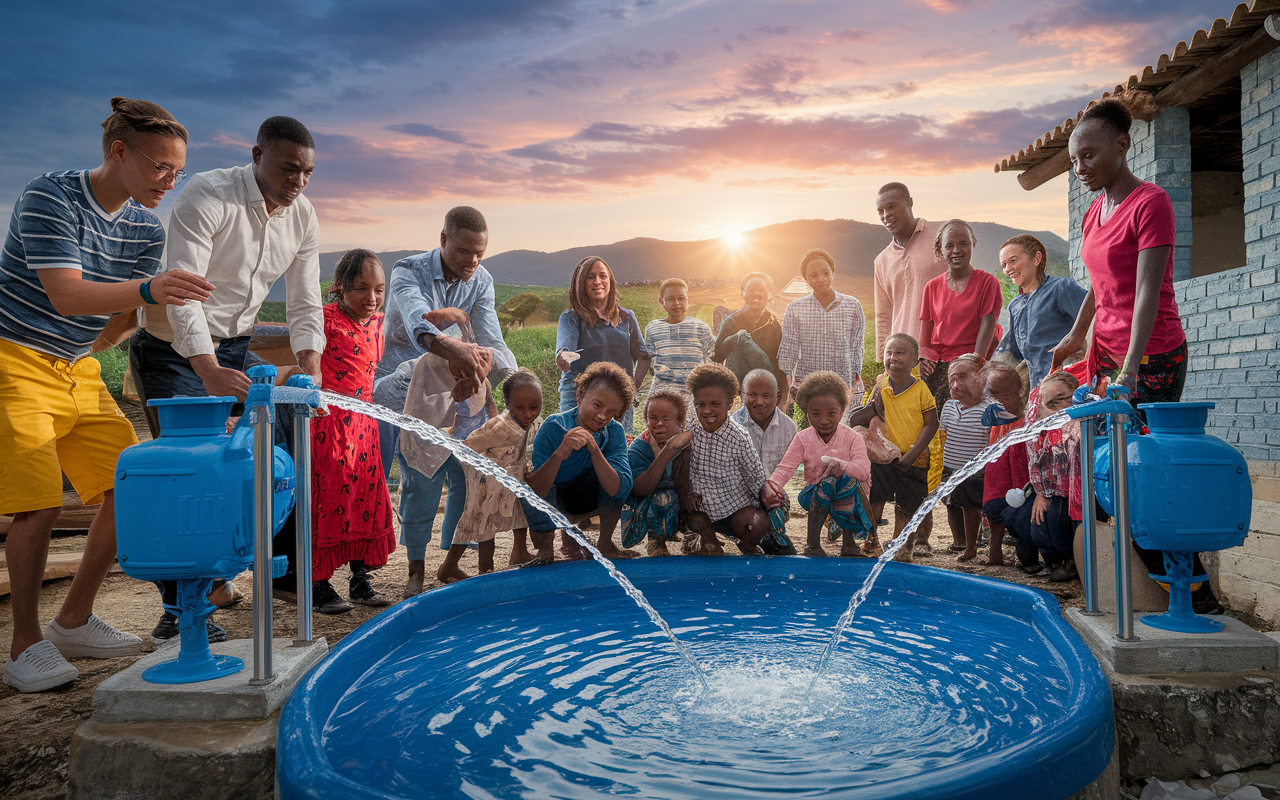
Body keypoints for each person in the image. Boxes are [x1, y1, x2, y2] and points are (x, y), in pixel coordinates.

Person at [1, 97, 213, 692]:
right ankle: (24, 646)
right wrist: (148, 288)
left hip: (77, 368)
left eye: (178, 172)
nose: (169, 182)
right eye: (160, 167)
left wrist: (148, 302)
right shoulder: (51, 195)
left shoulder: (146, 228)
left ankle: (72, 619)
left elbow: (115, 321)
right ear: (118, 151)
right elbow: (67, 294)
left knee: (131, 485)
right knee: (38, 503)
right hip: (10, 358)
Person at [129, 115, 325, 641]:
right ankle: (178, 614)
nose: (298, 182)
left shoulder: (302, 216)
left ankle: (219, 576)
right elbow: (184, 290)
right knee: (185, 475)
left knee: (245, 465)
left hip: (235, 344)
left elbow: (306, 300)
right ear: (257, 155)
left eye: (307, 172)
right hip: (174, 348)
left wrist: (310, 365)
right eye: (288, 169)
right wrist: (207, 367)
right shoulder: (209, 194)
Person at [374, 206, 506, 594]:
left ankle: (449, 562)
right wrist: (451, 347)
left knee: (464, 481)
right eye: (464, 250)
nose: (473, 261)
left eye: (480, 252)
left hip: (462, 396)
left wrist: (508, 378)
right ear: (443, 240)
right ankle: (410, 566)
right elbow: (418, 317)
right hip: (399, 391)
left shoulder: (481, 280)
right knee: (415, 480)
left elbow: (491, 337)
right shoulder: (407, 270)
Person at [1054, 94, 1187, 407]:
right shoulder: (1093, 211)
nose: (1080, 168)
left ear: (1122, 144)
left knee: (1142, 449)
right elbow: (1100, 284)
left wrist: (1129, 371)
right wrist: (1077, 333)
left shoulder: (1150, 203)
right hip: (1105, 351)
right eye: (1074, 161)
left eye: (1088, 155)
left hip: (1150, 356)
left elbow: (1146, 293)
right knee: (1106, 447)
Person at [308, 250, 395, 614]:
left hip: (364, 427)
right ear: (340, 288)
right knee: (327, 501)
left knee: (367, 497)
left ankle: (360, 580)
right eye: (361, 288)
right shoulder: (323, 321)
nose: (371, 298)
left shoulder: (378, 324)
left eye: (379, 289)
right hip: (326, 424)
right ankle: (317, 584)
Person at [438, 369, 544, 581]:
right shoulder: (498, 428)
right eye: (520, 408)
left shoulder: (537, 422)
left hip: (514, 482)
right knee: (482, 525)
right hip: (487, 487)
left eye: (534, 407)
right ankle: (475, 570)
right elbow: (468, 447)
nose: (528, 413)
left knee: (520, 513)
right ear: (507, 403)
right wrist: (488, 471)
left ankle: (519, 552)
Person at [526, 361, 634, 564]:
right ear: (579, 397)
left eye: (612, 411)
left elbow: (617, 489)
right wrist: (560, 454)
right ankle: (546, 550)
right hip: (556, 498)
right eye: (597, 405)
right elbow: (537, 490)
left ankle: (604, 544)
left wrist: (594, 450)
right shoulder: (554, 426)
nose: (603, 416)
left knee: (620, 477)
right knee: (528, 488)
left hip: (586, 498)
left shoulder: (614, 431)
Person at [763, 372, 872, 558]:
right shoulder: (803, 438)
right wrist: (771, 488)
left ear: (843, 410)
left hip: (849, 496)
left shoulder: (853, 437)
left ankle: (849, 543)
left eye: (831, 413)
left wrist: (840, 465)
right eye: (815, 414)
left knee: (847, 481)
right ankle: (812, 544)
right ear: (806, 412)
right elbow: (785, 468)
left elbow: (863, 471)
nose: (823, 421)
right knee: (828, 482)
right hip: (814, 495)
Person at [859, 334, 938, 561]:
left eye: (901, 353)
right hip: (884, 456)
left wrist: (911, 455)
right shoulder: (882, 385)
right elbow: (874, 413)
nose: (893, 358)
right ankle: (871, 541)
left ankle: (902, 547)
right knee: (876, 497)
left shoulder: (921, 390)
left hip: (915, 458)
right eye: (889, 353)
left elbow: (932, 423)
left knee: (907, 505)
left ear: (915, 360)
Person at [682, 364, 772, 556]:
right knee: (692, 519)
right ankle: (706, 540)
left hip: (734, 508)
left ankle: (746, 545)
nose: (707, 411)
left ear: (731, 403)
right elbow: (680, 468)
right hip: (700, 508)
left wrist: (765, 504)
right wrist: (688, 493)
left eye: (715, 404)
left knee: (758, 523)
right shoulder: (689, 429)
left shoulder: (739, 438)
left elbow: (755, 478)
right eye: (700, 404)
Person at [555, 256, 650, 433]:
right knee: (576, 449)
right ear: (580, 283)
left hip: (617, 401)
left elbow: (643, 357)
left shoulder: (626, 317)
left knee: (615, 453)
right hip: (580, 399)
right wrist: (563, 358)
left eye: (602, 276)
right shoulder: (571, 318)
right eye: (590, 277)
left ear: (610, 281)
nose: (597, 281)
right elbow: (564, 348)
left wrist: (631, 388)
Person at [918, 220, 1003, 407]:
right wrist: (925, 357)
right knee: (932, 417)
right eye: (949, 245)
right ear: (941, 249)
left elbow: (988, 323)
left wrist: (976, 362)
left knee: (971, 419)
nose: (956, 250)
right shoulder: (931, 287)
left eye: (963, 243)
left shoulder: (987, 282)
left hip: (974, 360)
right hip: (941, 364)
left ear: (973, 243)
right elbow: (927, 326)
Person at [995, 235, 1087, 386]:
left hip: (1071, 384)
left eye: (1013, 260)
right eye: (1003, 265)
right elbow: (1011, 351)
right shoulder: (1015, 306)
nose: (1008, 269)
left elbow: (1095, 320)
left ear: (1037, 258)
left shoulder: (1061, 288)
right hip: (1038, 388)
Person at [778, 249, 867, 404]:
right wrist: (790, 387)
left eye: (826, 273)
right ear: (806, 279)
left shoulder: (852, 305)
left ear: (833, 273)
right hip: (807, 388)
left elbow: (857, 347)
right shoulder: (795, 309)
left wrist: (855, 380)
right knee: (811, 427)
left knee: (841, 426)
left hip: (843, 385)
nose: (821, 279)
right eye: (814, 275)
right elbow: (788, 350)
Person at [979, 362, 1039, 571]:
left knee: (1022, 523)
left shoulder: (1028, 422)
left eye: (1003, 396)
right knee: (994, 512)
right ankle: (994, 550)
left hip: (1021, 484)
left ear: (1019, 392)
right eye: (991, 397)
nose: (997, 402)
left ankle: (1028, 560)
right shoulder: (998, 420)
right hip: (997, 479)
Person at [1026, 371, 1083, 582]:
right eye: (1050, 402)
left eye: (1061, 398)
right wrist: (1041, 494)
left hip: (1075, 492)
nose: (1057, 406)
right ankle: (1056, 561)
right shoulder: (1043, 427)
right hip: (1052, 490)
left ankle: (1073, 563)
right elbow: (1035, 461)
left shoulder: (1081, 422)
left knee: (1064, 524)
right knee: (1037, 523)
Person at [621, 388, 693, 557]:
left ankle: (696, 536)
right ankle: (656, 540)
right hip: (650, 502)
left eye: (666, 419)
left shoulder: (690, 440)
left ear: (680, 420)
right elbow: (641, 489)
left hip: (682, 498)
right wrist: (667, 451)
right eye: (653, 418)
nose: (659, 424)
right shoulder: (640, 447)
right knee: (663, 497)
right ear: (645, 419)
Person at [938, 356, 992, 563]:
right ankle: (959, 540)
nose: (955, 385)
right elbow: (944, 436)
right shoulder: (950, 407)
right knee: (951, 503)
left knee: (970, 506)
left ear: (982, 378)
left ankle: (972, 547)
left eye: (963, 378)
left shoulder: (990, 408)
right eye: (952, 380)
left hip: (975, 471)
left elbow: (992, 441)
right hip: (951, 467)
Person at [712, 271, 787, 408]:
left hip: (764, 382)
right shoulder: (732, 321)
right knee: (740, 338)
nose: (756, 294)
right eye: (751, 290)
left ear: (768, 295)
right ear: (743, 294)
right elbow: (717, 356)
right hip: (739, 384)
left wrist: (782, 396)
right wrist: (735, 340)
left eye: (761, 290)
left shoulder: (773, 323)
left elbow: (777, 360)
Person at [643, 278, 714, 398]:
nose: (676, 303)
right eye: (670, 299)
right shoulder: (653, 328)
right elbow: (649, 358)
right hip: (662, 390)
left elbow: (712, 356)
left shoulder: (700, 327)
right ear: (661, 301)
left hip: (693, 391)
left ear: (687, 300)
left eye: (681, 298)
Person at [731, 369, 797, 477]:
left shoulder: (789, 428)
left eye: (766, 396)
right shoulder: (733, 426)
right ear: (743, 396)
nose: (759, 402)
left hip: (777, 491)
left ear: (777, 396)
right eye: (752, 395)